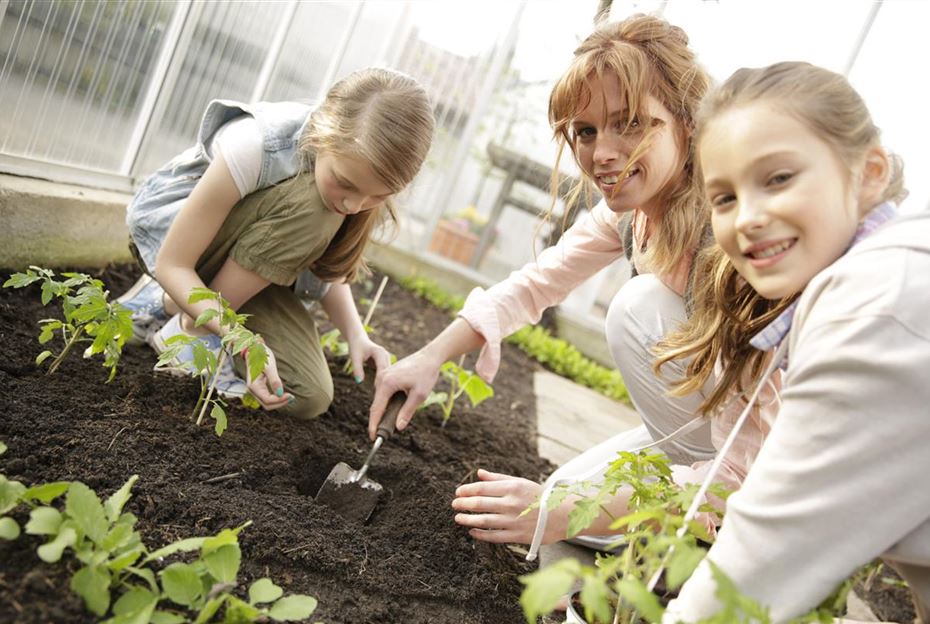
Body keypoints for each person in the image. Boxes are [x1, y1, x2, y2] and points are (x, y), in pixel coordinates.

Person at [371, 14, 753, 547]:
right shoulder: (634, 215)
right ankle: (682, 480)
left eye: (631, 123)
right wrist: (430, 356)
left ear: (688, 122)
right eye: (587, 131)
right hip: (713, 440)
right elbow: (536, 285)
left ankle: (712, 525)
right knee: (566, 501)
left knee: (636, 308)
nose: (602, 153)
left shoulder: (736, 244)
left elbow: (759, 463)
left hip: (779, 470)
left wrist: (556, 511)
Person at [654, 61, 928, 622]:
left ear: (870, 171)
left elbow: (756, 567)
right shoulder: (870, 281)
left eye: (778, 179)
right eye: (724, 198)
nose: (748, 218)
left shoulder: (876, 310)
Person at [117, 68, 434, 419]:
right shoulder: (256, 145)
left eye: (379, 195)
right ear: (320, 137)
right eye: (345, 183)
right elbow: (173, 264)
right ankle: (186, 327)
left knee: (307, 396)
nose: (354, 205)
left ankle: (170, 305)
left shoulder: (357, 184)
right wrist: (240, 339)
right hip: (176, 245)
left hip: (245, 268)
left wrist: (356, 335)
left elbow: (323, 269)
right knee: (315, 208)